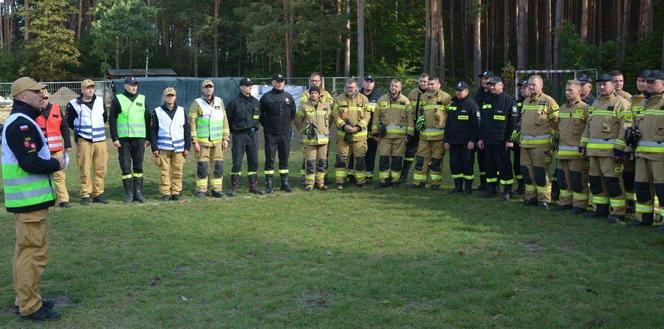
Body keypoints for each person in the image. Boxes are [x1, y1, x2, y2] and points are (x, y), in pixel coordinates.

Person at [3, 77, 65, 321]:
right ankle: (30, 306)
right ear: (22, 96)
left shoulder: (23, 121)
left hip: (27, 202)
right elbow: (29, 162)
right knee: (33, 254)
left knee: (25, 253)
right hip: (29, 202)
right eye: (36, 91)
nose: (42, 95)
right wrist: (55, 163)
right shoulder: (21, 124)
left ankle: (27, 298)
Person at [579, 73, 631, 223]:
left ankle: (618, 212)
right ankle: (600, 209)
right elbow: (588, 127)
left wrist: (619, 148)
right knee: (595, 181)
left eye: (605, 84)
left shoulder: (621, 103)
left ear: (613, 85)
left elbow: (625, 127)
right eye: (599, 84)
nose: (601, 87)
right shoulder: (594, 104)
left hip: (610, 153)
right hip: (593, 152)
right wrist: (583, 144)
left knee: (612, 181)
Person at [629, 70, 664, 230]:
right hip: (642, 155)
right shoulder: (642, 104)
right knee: (641, 187)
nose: (649, 85)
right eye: (647, 82)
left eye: (653, 82)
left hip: (660, 157)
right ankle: (643, 218)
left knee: (662, 189)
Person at [519, 75, 560, 209]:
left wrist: (551, 140)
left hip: (541, 147)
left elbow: (557, 123)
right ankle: (530, 197)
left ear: (541, 86)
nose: (530, 87)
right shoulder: (525, 101)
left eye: (533, 85)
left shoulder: (549, 101)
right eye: (529, 85)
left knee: (540, 173)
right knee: (527, 173)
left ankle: (544, 200)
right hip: (525, 145)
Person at [66, 79, 109, 205]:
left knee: (101, 168)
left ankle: (98, 193)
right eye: (88, 88)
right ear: (82, 90)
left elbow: (104, 117)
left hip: (100, 139)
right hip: (84, 140)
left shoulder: (100, 101)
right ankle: (85, 194)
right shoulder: (73, 104)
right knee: (84, 168)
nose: (90, 90)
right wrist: (80, 132)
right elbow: (69, 121)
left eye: (92, 87)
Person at [110, 76, 150, 203]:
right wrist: (114, 137)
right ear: (125, 86)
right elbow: (112, 119)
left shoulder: (142, 99)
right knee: (126, 167)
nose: (134, 87)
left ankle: (138, 192)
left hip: (139, 138)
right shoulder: (118, 99)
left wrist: (148, 138)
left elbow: (148, 119)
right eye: (131, 85)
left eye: (135, 85)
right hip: (124, 139)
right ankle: (128, 193)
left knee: (138, 166)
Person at [551, 80, 590, 214]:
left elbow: (589, 129)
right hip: (562, 152)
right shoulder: (561, 108)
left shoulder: (585, 108)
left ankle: (579, 205)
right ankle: (564, 202)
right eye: (566, 90)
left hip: (577, 153)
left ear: (579, 92)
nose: (567, 93)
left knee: (578, 179)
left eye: (570, 90)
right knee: (563, 179)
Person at [189, 79, 230, 198]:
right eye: (206, 87)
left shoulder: (219, 101)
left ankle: (216, 190)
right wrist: (195, 141)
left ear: (213, 88)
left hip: (218, 142)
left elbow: (224, 120)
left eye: (210, 87)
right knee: (202, 166)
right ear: (202, 89)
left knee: (218, 166)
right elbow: (192, 123)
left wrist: (226, 138)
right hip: (202, 142)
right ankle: (201, 190)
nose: (208, 89)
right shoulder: (196, 103)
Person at [408, 76, 452, 190]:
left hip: (439, 137)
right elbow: (421, 114)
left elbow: (451, 116)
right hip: (424, 136)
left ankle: (435, 184)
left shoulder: (446, 97)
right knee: (421, 160)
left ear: (439, 85)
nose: (430, 86)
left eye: (432, 84)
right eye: (429, 84)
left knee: (436, 162)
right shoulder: (423, 97)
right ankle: (418, 182)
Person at [477, 76, 517, 199]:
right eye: (490, 85)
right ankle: (491, 189)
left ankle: (507, 191)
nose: (492, 87)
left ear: (501, 85)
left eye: (494, 85)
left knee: (504, 166)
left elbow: (514, 123)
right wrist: (480, 138)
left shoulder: (509, 101)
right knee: (489, 166)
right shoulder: (486, 100)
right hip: (488, 141)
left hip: (502, 142)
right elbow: (482, 122)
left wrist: (510, 140)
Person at [149, 87, 191, 201]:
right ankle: (165, 192)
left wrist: (187, 146)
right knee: (164, 171)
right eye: (168, 95)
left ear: (175, 97)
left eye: (172, 95)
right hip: (163, 147)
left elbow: (187, 129)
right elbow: (152, 131)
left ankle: (176, 192)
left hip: (179, 147)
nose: (170, 97)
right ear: (164, 97)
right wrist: (154, 147)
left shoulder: (182, 110)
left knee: (178, 171)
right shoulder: (157, 111)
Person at [372, 79, 412, 188]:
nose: (393, 88)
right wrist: (375, 133)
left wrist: (409, 135)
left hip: (400, 138)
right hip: (384, 137)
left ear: (400, 88)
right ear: (389, 86)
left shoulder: (405, 101)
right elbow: (376, 117)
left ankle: (395, 181)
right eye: (392, 85)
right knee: (384, 159)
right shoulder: (382, 99)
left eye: (396, 86)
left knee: (397, 160)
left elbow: (410, 120)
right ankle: (383, 181)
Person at [227, 77, 264, 196]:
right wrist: (234, 133)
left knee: (254, 161)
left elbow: (260, 118)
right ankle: (234, 187)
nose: (250, 87)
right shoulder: (234, 103)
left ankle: (253, 186)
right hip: (239, 135)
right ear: (241, 87)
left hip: (252, 134)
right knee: (237, 161)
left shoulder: (256, 102)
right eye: (247, 85)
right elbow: (228, 120)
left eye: (250, 85)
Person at [260, 74, 296, 193]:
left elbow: (292, 114)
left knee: (284, 158)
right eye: (277, 81)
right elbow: (261, 116)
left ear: (284, 82)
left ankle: (284, 183)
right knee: (270, 159)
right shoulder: (266, 98)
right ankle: (269, 184)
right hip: (271, 134)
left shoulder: (289, 97)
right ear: (273, 82)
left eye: (282, 81)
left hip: (285, 134)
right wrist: (269, 126)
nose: (279, 83)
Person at [332, 78, 370, 189]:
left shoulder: (364, 99)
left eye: (352, 87)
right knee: (341, 159)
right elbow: (335, 114)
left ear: (356, 87)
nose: (350, 89)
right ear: (345, 87)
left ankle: (360, 181)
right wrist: (344, 126)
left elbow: (367, 115)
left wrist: (358, 127)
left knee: (360, 160)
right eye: (348, 87)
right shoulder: (339, 99)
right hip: (343, 135)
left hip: (359, 136)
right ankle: (340, 181)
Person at [37, 89, 71, 208]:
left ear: (49, 98)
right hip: (41, 150)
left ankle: (63, 200)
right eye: (41, 98)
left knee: (59, 175)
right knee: (41, 175)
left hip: (57, 150)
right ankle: (43, 199)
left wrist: (68, 144)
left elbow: (64, 127)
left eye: (46, 98)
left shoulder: (56, 108)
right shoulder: (33, 111)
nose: (43, 101)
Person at [444, 81, 479, 195]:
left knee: (467, 165)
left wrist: (472, 140)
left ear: (467, 91)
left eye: (461, 90)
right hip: (454, 142)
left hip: (466, 143)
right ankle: (457, 187)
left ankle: (468, 188)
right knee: (454, 164)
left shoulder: (472, 105)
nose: (458, 92)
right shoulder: (452, 104)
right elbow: (448, 124)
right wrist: (446, 140)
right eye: (457, 90)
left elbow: (476, 125)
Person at [295, 86, 332, 191]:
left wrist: (325, 129)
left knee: (322, 162)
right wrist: (304, 130)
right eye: (312, 93)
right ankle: (309, 184)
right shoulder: (304, 106)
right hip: (310, 140)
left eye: (315, 93)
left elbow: (330, 120)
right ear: (309, 94)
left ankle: (320, 183)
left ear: (319, 94)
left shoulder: (326, 105)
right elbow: (298, 120)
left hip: (323, 140)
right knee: (310, 162)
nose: (313, 95)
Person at [402, 73, 429, 183]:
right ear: (418, 81)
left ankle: (422, 178)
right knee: (408, 154)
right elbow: (407, 110)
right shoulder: (412, 93)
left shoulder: (430, 94)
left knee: (423, 154)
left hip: (425, 129)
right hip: (412, 128)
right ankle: (403, 176)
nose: (423, 83)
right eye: (421, 81)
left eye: (425, 82)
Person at [357, 75, 381, 184]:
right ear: (363, 83)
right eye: (366, 81)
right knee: (357, 154)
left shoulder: (378, 97)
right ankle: (355, 175)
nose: (368, 84)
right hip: (359, 131)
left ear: (374, 84)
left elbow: (380, 115)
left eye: (371, 82)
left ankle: (369, 176)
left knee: (371, 154)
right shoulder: (357, 95)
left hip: (372, 132)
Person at [474, 70, 495, 191]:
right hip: (480, 131)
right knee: (481, 159)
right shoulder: (478, 94)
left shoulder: (494, 94)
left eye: (486, 79)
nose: (483, 81)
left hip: (492, 133)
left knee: (491, 159)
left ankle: (492, 184)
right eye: (482, 78)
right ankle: (483, 183)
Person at [512, 79, 530, 195]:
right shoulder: (516, 102)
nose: (522, 89)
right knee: (517, 163)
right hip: (517, 140)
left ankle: (530, 186)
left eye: (524, 87)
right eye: (521, 87)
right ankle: (520, 185)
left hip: (530, 140)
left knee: (528, 164)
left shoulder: (534, 103)